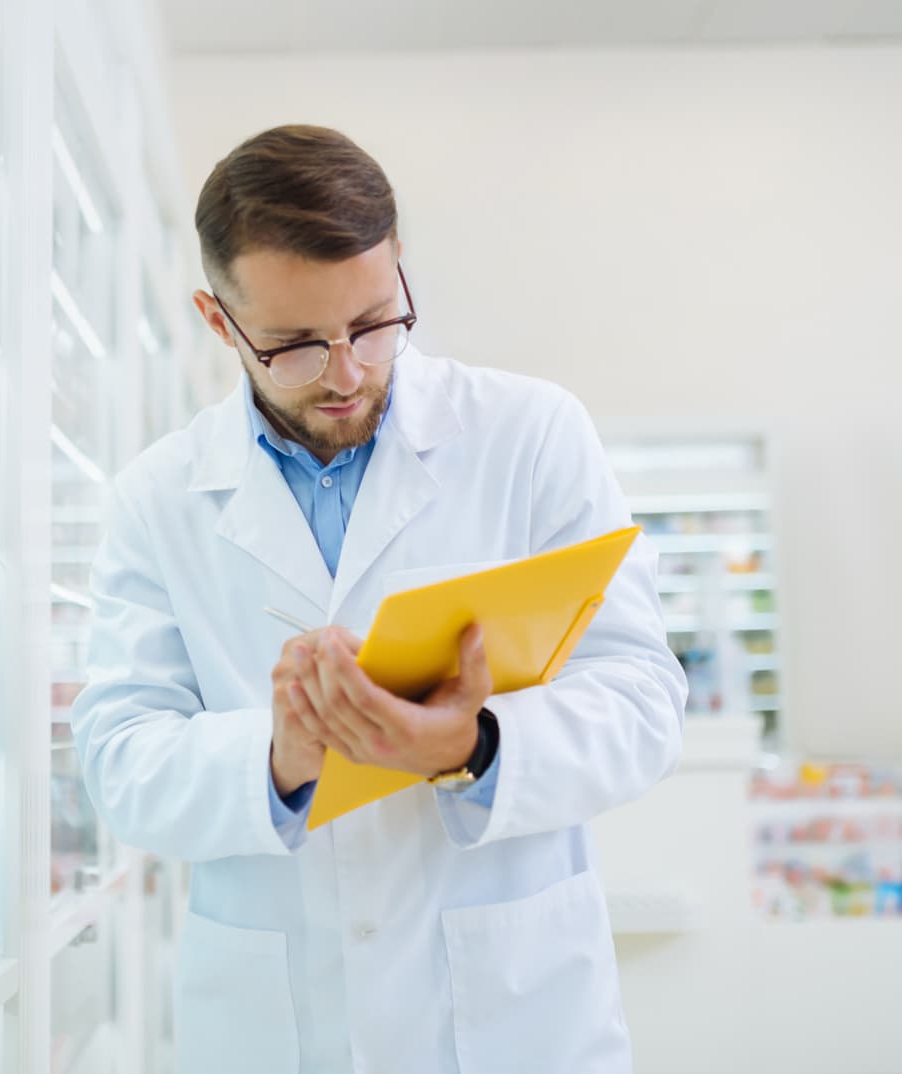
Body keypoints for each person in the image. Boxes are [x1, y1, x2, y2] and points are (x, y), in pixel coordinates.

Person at [70, 124, 687, 1074]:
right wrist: (278, 755)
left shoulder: (530, 435)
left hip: (512, 1013)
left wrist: (474, 747)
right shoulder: (158, 497)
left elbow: (641, 697)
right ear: (215, 318)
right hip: (275, 1021)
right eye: (292, 345)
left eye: (373, 324)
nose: (347, 371)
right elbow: (119, 762)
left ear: (399, 272)